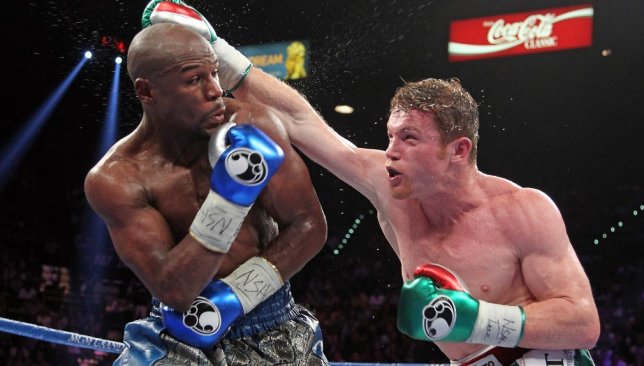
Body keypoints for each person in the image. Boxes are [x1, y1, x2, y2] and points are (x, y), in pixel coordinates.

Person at [152, 1, 601, 364]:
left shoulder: (523, 210)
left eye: (409, 138)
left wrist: (479, 320)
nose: (391, 151)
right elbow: (299, 120)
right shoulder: (390, 187)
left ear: (458, 151)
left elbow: (584, 323)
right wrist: (221, 53)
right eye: (390, 135)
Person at [84, 22, 328, 365]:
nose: (215, 89)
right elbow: (175, 290)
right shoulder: (117, 179)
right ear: (147, 91)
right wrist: (230, 199)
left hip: (273, 321)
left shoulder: (254, 125)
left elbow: (309, 225)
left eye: (214, 73)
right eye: (194, 79)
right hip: (179, 327)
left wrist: (236, 295)